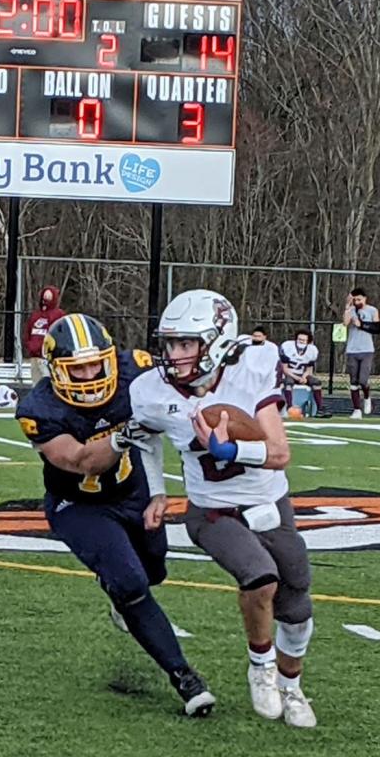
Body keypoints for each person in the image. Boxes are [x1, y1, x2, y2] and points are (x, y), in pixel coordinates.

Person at [123, 289, 317, 728]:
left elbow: (279, 452)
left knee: (297, 599)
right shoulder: (150, 391)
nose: (174, 354)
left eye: (186, 343)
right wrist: (157, 492)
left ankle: (291, 685)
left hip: (269, 499)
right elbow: (145, 438)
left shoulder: (253, 367)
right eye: (171, 343)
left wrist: (228, 448)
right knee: (260, 577)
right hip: (211, 510)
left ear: (218, 340)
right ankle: (261, 667)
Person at [14, 312, 215, 718]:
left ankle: (122, 597)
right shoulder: (39, 407)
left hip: (134, 492)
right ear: (55, 371)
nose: (89, 375)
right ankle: (184, 678)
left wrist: (159, 489)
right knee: (131, 583)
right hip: (79, 505)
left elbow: (174, 405)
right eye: (78, 368)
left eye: (94, 364)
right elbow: (80, 460)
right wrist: (122, 435)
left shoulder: (135, 368)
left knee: (154, 571)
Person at [343, 288, 380, 419]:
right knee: (353, 381)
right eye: (355, 300)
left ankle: (367, 397)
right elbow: (345, 323)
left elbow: (377, 328)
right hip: (352, 349)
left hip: (367, 350)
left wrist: (361, 324)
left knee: (363, 380)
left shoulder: (372, 310)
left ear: (365, 298)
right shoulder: (351, 310)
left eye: (359, 299)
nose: (357, 302)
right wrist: (348, 307)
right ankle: (356, 409)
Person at [279, 330, 331, 417]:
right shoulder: (288, 347)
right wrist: (296, 377)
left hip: (302, 375)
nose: (301, 342)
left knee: (316, 382)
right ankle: (290, 408)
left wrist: (304, 377)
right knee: (288, 383)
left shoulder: (312, 350)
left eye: (303, 340)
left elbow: (309, 370)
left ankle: (320, 409)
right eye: (299, 339)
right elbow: (285, 369)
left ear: (308, 342)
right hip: (289, 374)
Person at [23, 285, 65, 384]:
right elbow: (28, 332)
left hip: (49, 358)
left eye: (49, 296)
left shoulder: (59, 315)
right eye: (45, 296)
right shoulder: (35, 315)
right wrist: (30, 346)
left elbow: (61, 334)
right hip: (35, 357)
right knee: (36, 385)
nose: (46, 299)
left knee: (50, 385)